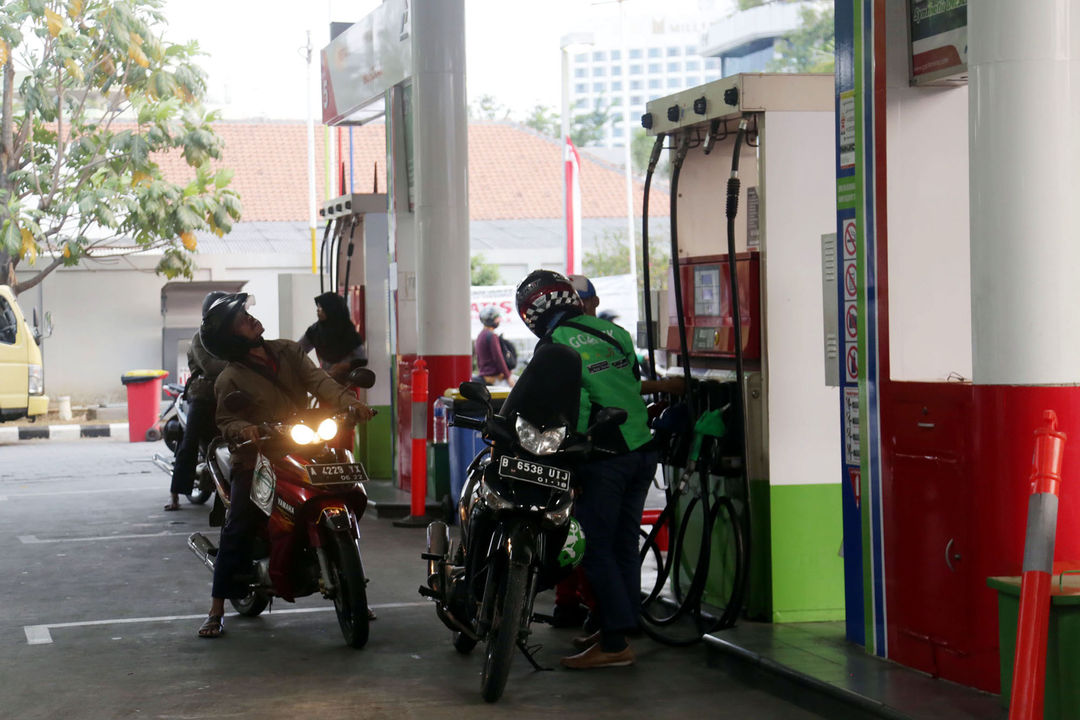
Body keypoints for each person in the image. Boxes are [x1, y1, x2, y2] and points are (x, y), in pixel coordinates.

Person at [515, 269, 680, 670]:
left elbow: (563, 407)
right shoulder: (614, 334)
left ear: (533, 313)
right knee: (624, 543)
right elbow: (626, 384)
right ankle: (619, 627)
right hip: (642, 448)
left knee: (591, 546)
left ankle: (613, 643)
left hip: (604, 455)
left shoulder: (554, 346)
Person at [194, 292, 376, 639]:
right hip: (259, 455)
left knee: (343, 485)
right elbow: (227, 420)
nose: (250, 320)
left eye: (247, 314)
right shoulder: (229, 379)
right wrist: (244, 429)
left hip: (305, 440)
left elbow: (320, 381)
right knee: (241, 520)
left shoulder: (288, 351)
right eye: (241, 320)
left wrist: (350, 403)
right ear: (230, 337)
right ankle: (216, 607)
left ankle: (351, 583)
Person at [164, 292, 228, 511]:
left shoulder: (229, 336)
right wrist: (238, 364)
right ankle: (174, 495)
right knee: (189, 444)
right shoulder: (200, 337)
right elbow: (211, 367)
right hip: (202, 395)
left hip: (226, 394)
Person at [299, 292, 366, 384]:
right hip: (325, 381)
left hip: (347, 384)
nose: (317, 310)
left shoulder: (348, 332)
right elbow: (298, 350)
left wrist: (343, 366)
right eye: (317, 307)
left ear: (331, 309)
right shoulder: (315, 331)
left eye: (321, 308)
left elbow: (362, 360)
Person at [473, 305, 515, 387]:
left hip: (484, 377)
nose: (498, 320)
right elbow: (498, 358)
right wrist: (508, 376)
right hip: (494, 379)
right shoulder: (492, 336)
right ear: (490, 320)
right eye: (497, 318)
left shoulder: (480, 336)